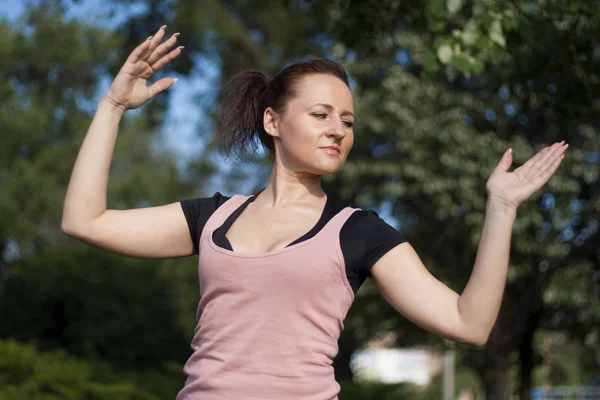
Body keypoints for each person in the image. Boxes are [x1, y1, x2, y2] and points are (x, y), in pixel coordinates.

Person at [61, 25, 568, 400]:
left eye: (347, 120)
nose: (338, 130)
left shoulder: (358, 233)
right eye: (321, 115)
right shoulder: (212, 219)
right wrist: (112, 106)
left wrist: (501, 208)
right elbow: (84, 221)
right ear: (273, 121)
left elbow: (469, 322)